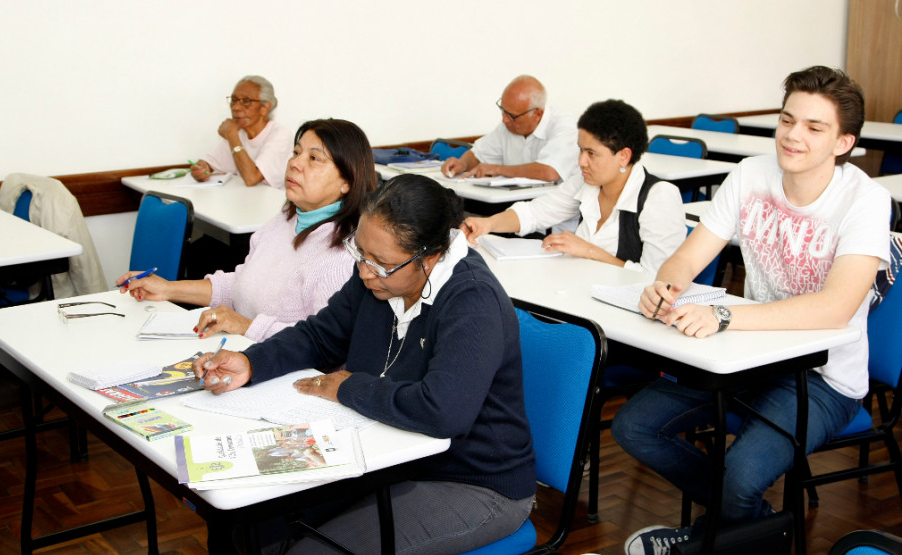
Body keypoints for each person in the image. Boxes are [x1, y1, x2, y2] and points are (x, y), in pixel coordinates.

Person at [612, 66, 891, 555]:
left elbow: (836, 308)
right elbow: (688, 255)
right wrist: (666, 286)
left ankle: (714, 535)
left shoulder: (865, 200)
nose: (793, 135)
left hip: (824, 376)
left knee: (741, 472)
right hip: (750, 355)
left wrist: (723, 317)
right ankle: (750, 527)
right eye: (787, 120)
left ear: (844, 143)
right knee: (634, 426)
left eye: (814, 127)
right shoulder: (751, 175)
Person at [192, 174, 536, 553]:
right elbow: (319, 336)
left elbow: (444, 412)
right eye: (360, 253)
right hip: (382, 453)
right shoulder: (378, 274)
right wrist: (250, 362)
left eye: (382, 264)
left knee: (310, 552)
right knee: (252, 525)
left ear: (431, 255)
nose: (365, 272)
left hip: (470, 481)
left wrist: (348, 386)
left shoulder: (473, 300)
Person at [118, 118, 376, 342]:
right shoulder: (283, 223)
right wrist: (168, 289)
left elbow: (325, 344)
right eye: (296, 153)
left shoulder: (345, 256)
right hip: (246, 355)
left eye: (314, 158)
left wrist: (245, 326)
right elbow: (244, 286)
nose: (295, 164)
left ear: (347, 181)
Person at [461, 99, 686, 274]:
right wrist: (487, 224)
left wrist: (588, 250)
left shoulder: (659, 197)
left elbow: (658, 279)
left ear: (624, 156)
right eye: (580, 150)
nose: (581, 161)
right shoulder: (586, 182)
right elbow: (535, 213)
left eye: (591, 153)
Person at [440, 75, 578, 183]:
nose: (504, 119)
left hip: (558, 211)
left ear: (537, 114)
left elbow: (549, 172)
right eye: (503, 111)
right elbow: (478, 154)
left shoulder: (564, 125)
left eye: (512, 116)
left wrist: (499, 170)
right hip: (519, 204)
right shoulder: (508, 126)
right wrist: (462, 164)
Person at [191, 75, 294, 188]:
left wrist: (231, 135)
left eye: (246, 101)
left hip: (273, 203)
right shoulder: (238, 132)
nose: (236, 107)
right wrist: (201, 169)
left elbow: (251, 178)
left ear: (265, 107)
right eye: (234, 100)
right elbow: (209, 164)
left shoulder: (280, 135)